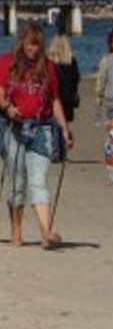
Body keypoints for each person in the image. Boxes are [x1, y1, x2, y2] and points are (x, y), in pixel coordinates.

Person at [0, 22, 74, 249]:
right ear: (22, 42)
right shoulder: (6, 63)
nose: (33, 49)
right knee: (18, 183)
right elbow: (0, 93)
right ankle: (16, 230)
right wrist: (7, 107)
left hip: (42, 128)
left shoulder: (48, 68)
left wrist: (64, 128)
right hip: (14, 128)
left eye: (37, 45)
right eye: (30, 44)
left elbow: (54, 100)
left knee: (38, 181)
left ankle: (46, 231)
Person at [45, 34, 81, 124]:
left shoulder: (48, 63)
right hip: (67, 101)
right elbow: (76, 80)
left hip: (52, 101)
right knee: (64, 127)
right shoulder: (71, 62)